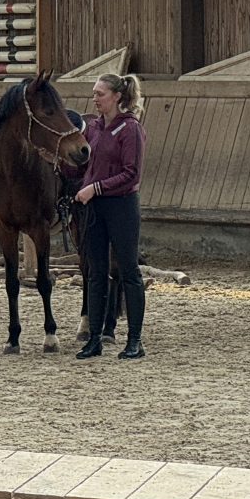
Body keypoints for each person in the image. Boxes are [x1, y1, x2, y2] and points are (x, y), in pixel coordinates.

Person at [74, 74, 148, 360]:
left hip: (121, 206)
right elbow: (85, 165)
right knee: (95, 272)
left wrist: (95, 188)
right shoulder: (94, 127)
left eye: (100, 94)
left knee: (129, 271)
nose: (95, 98)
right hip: (95, 208)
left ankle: (135, 340)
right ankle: (95, 338)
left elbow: (131, 174)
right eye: (94, 93)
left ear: (117, 96)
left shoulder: (130, 129)